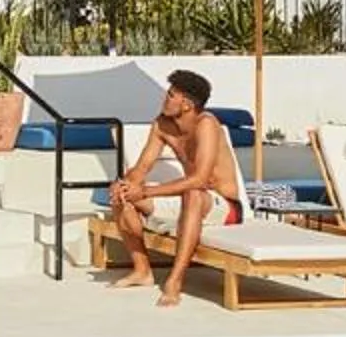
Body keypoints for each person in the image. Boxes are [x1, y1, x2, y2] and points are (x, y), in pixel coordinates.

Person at [102, 69, 245, 308]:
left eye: (170, 95)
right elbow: (142, 167)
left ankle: (175, 281)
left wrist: (146, 192)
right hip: (190, 200)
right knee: (123, 196)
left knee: (193, 194)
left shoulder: (207, 125)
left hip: (224, 206)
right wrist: (125, 184)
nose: (164, 99)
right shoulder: (162, 125)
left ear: (186, 104)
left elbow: (199, 180)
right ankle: (142, 271)